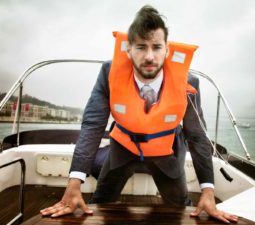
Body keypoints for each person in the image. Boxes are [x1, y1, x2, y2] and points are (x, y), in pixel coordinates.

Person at [40, 5, 238, 223]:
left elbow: (197, 135)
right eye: (141, 47)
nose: (150, 56)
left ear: (167, 50)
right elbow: (93, 126)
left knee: (183, 208)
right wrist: (74, 182)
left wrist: (208, 191)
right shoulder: (109, 73)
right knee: (98, 203)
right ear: (128, 49)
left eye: (156, 47)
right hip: (123, 148)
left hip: (166, 151)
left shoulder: (189, 83)